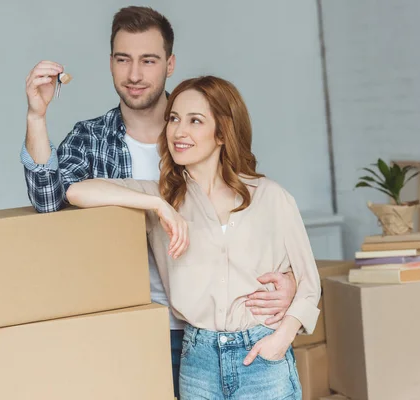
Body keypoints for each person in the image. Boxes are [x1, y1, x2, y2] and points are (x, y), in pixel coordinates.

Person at [20, 6, 298, 397]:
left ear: (169, 64)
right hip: (132, 323)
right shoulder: (91, 138)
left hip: (216, 329)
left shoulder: (202, 126)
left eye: (148, 60)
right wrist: (36, 116)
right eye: (123, 59)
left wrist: (290, 284)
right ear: (111, 63)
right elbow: (49, 199)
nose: (134, 75)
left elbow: (250, 215)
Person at [66, 76, 321, 399]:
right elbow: (75, 191)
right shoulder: (161, 198)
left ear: (222, 132)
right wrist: (158, 205)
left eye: (195, 121)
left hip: (261, 356)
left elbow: (310, 284)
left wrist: (280, 339)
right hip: (197, 360)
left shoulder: (271, 197)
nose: (178, 131)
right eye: (173, 119)